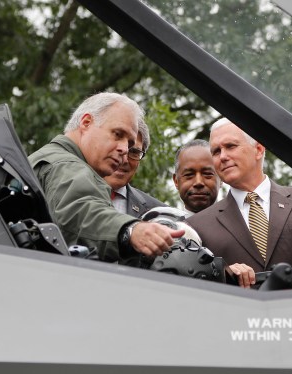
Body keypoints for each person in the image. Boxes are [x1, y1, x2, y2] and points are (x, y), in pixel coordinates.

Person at [187, 118, 292, 288]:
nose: (223, 156)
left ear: (258, 150)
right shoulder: (198, 226)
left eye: (230, 146)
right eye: (216, 151)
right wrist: (223, 272)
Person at [28, 92, 182, 262]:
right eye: (118, 134)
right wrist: (129, 231)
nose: (124, 149)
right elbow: (79, 213)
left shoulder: (50, 158)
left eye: (130, 144)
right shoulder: (67, 166)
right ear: (86, 123)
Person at [105, 118, 165, 217]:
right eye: (118, 148)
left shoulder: (158, 213)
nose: (124, 160)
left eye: (133, 152)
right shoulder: (72, 192)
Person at [172, 139, 220, 215]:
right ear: (176, 181)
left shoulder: (240, 223)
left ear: (221, 179)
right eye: (189, 175)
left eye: (207, 173)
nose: (198, 182)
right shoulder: (164, 225)